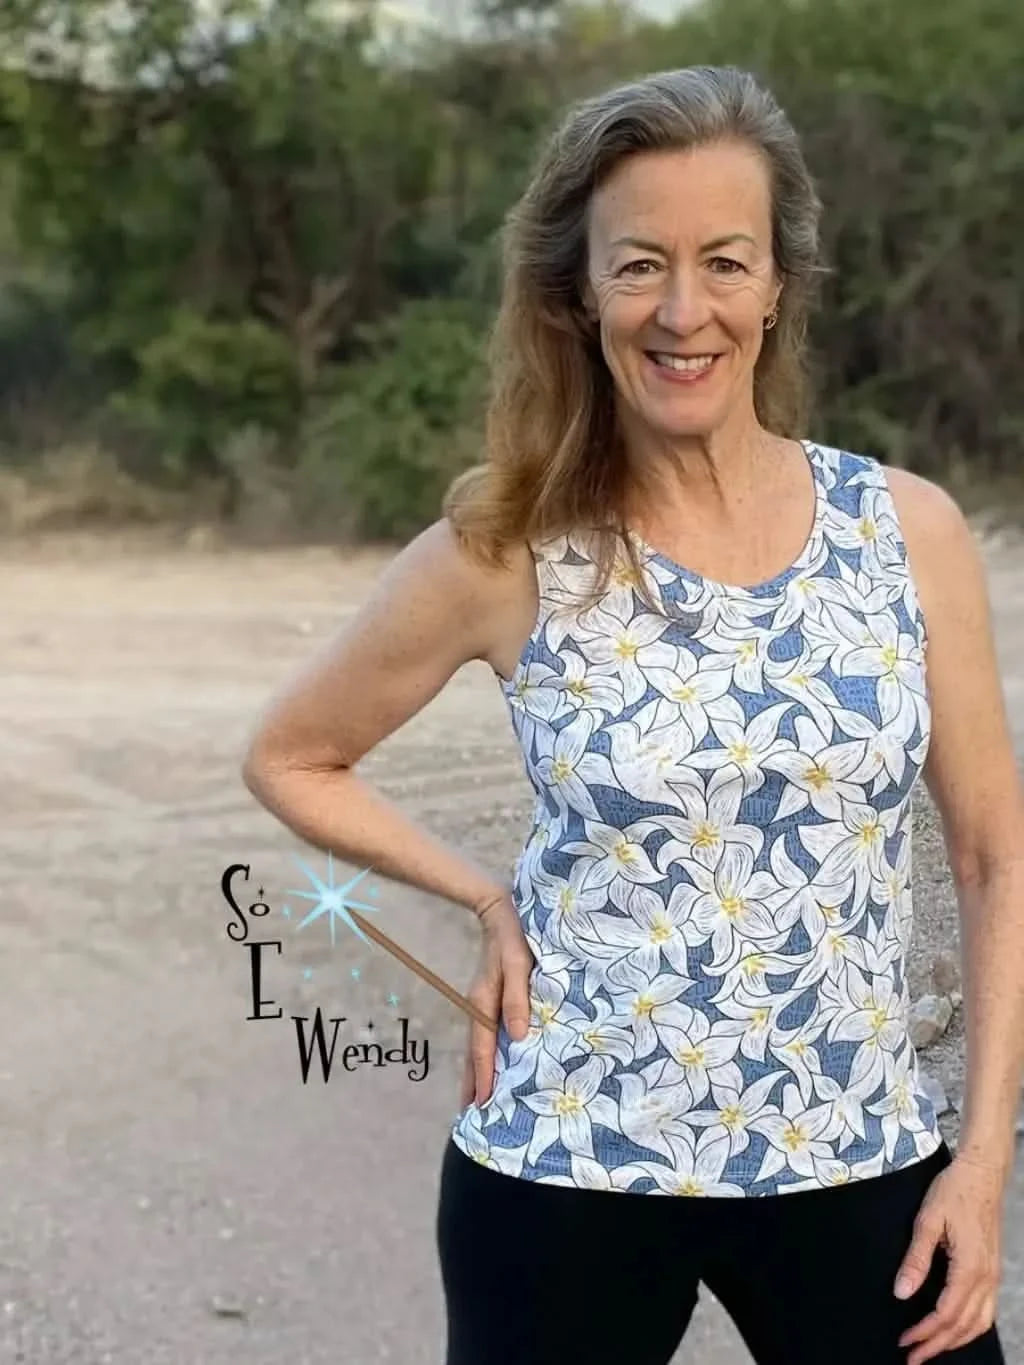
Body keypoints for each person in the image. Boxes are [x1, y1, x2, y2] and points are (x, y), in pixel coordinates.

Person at [241, 64, 1024, 1365]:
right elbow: (293, 754)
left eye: (725, 261)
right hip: (568, 1167)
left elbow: (996, 857)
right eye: (638, 264)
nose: (682, 310)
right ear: (580, 289)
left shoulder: (907, 532)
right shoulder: (510, 545)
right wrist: (484, 900)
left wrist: (984, 1161)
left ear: (778, 285)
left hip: (858, 1157)